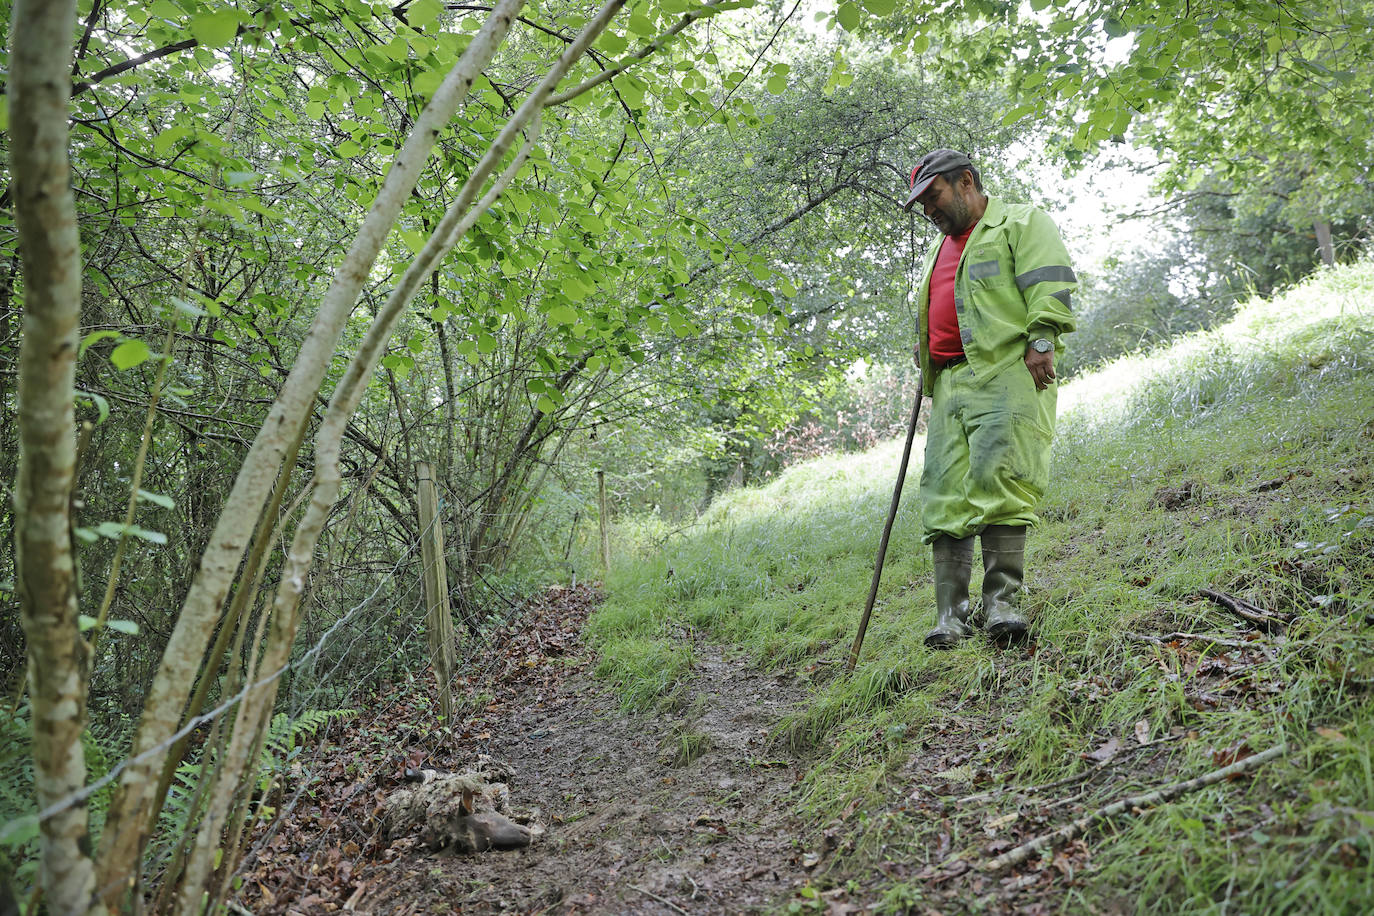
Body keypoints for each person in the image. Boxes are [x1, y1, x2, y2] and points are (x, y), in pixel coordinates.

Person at [902, 149, 1076, 648]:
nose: (929, 210)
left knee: (1002, 480)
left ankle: (1001, 604)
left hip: (1005, 372)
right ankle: (949, 617)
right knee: (943, 492)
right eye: (922, 204)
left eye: (933, 197)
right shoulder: (941, 249)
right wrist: (927, 343)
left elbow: (1050, 282)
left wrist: (1042, 339)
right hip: (949, 384)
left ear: (965, 182)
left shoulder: (1020, 222)